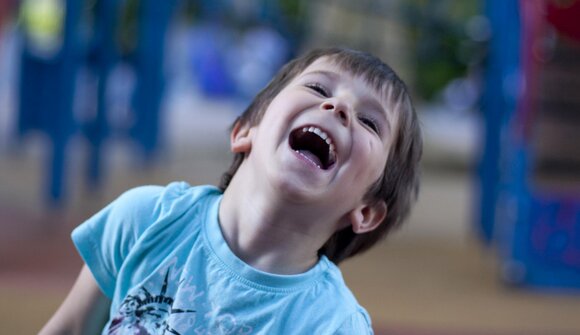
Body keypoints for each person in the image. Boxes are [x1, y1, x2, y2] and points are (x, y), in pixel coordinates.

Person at [39, 47, 422, 335]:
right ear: (245, 131)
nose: (338, 106)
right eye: (318, 86)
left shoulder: (332, 324)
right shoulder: (146, 219)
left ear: (367, 211)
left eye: (370, 122)